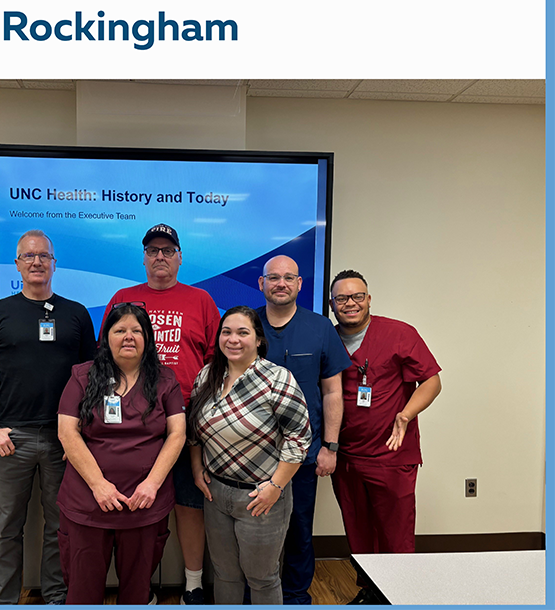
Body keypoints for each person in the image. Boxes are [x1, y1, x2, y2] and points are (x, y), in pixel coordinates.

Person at [0, 230, 97, 605]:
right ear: (18, 264)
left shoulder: (76, 314)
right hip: (11, 439)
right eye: (28, 256)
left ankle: (55, 597)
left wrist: (83, 435)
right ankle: (4, 601)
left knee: (61, 527)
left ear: (55, 263)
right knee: (6, 529)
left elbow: (95, 376)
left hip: (64, 439)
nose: (37, 262)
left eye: (44, 256)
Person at [102, 223, 220, 604]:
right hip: (136, 426)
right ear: (144, 258)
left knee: (189, 504)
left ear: (180, 257)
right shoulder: (124, 297)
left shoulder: (201, 300)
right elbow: (105, 356)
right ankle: (140, 588)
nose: (160, 257)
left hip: (187, 423)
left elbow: (216, 362)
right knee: (139, 506)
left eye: (168, 250)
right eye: (153, 251)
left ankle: (193, 584)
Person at [57, 303, 187, 604]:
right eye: (119, 330)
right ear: (106, 337)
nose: (128, 337)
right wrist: (98, 485)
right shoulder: (82, 376)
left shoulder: (165, 380)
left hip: (143, 503)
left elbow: (177, 434)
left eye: (136, 331)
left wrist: (152, 484)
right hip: (88, 502)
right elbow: (67, 432)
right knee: (82, 590)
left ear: (148, 338)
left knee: (137, 590)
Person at [329, 270, 442, 605]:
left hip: (392, 455)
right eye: (342, 298)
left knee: (395, 532)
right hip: (347, 456)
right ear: (332, 304)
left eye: (357, 296)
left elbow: (432, 381)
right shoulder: (328, 338)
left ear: (368, 299)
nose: (350, 303)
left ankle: (402, 595)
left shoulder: (398, 333)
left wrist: (406, 415)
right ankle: (371, 591)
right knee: (358, 530)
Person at [188, 306, 312, 605]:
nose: (233, 339)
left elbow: (299, 438)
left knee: (262, 578)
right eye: (227, 332)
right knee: (225, 574)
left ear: (258, 339)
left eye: (243, 332)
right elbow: (193, 431)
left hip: (262, 497)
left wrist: (275, 487)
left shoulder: (277, 379)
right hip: (217, 495)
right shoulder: (207, 375)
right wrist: (196, 469)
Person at [256, 256, 351, 605]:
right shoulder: (246, 324)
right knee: (255, 532)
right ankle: (255, 596)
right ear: (261, 284)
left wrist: (330, 445)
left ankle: (296, 597)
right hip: (252, 455)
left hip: (304, 453)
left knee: (299, 531)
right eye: (273, 277)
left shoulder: (321, 327)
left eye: (289, 277)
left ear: (299, 285)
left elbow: (332, 391)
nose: (281, 283)